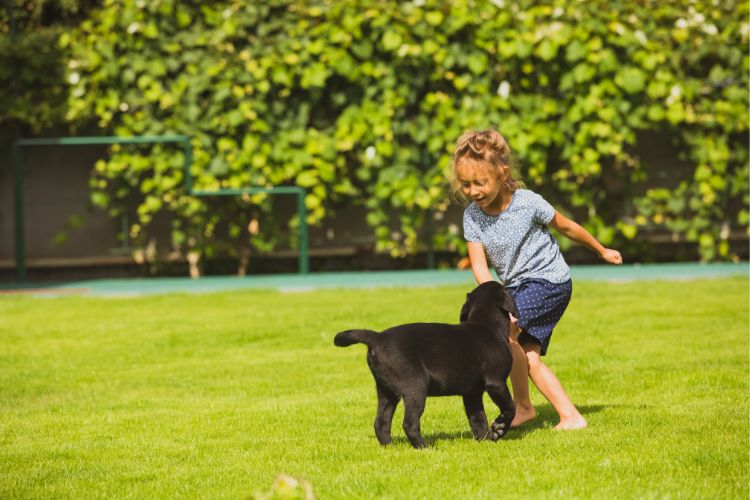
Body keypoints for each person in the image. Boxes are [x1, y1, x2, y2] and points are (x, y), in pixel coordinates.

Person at [449, 128, 622, 430]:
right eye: (465, 184)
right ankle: (561, 415)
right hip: (515, 287)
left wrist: (601, 250)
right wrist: (494, 303)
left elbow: (567, 227)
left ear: (502, 173)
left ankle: (525, 407)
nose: (473, 191)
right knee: (526, 356)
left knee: (507, 338)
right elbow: (479, 266)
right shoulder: (472, 217)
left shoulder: (527, 202)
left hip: (548, 281)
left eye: (480, 182)